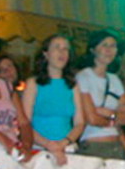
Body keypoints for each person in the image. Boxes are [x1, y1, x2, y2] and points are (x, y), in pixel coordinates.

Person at [23, 35, 86, 166]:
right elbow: (24, 123)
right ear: (46, 53)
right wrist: (49, 145)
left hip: (67, 149)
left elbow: (79, 122)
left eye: (65, 49)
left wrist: (63, 143)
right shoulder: (33, 83)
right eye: (57, 48)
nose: (62, 52)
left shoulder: (72, 85)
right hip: (39, 149)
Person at [75, 31, 125, 161]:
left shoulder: (114, 79)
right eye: (104, 45)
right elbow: (92, 119)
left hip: (116, 145)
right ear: (93, 49)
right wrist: (115, 117)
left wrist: (107, 113)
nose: (109, 50)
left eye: (113, 46)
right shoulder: (84, 77)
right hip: (94, 145)